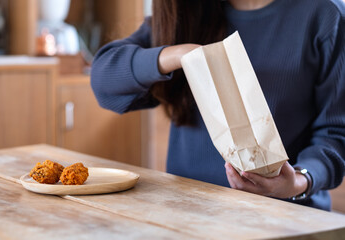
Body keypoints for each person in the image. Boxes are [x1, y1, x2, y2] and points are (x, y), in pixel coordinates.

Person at [90, 0, 345, 210]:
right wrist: (179, 55)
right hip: (189, 214)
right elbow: (103, 78)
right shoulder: (187, 13)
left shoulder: (324, 15)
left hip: (288, 217)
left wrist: (299, 181)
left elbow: (336, 133)